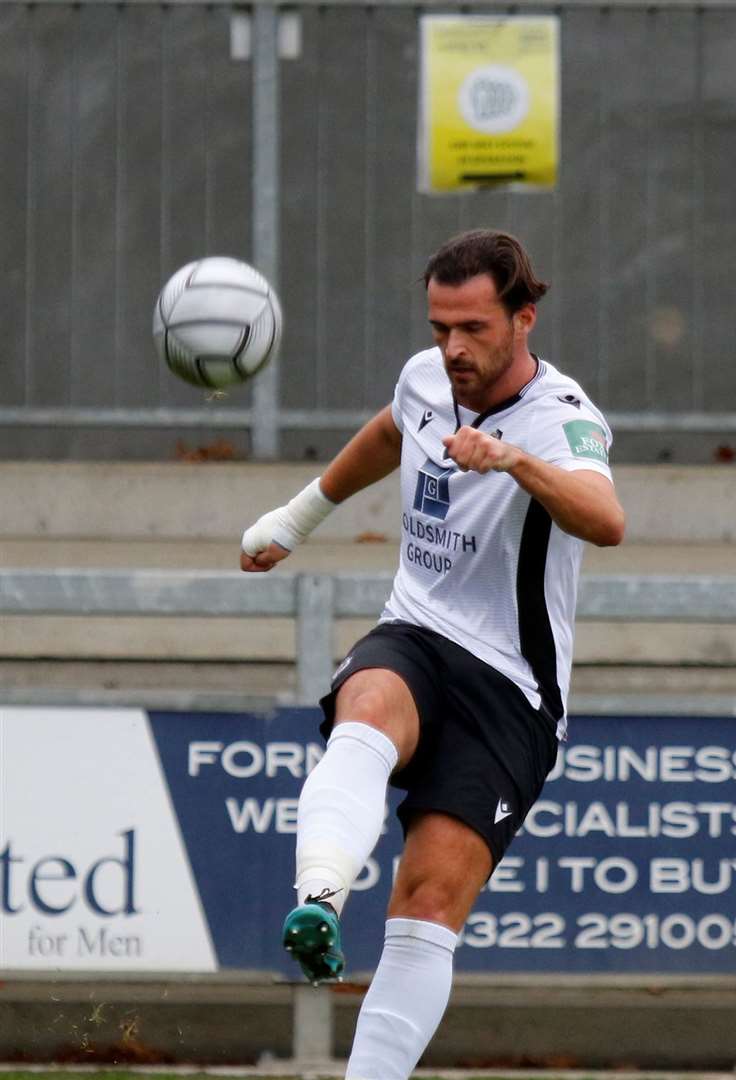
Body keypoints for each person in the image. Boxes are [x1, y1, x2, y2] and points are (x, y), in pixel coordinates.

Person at [239, 229, 624, 1080]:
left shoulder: (565, 420)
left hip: (513, 693)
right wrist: (296, 519)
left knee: (427, 905)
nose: (452, 347)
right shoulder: (424, 377)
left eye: (474, 328)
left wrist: (515, 459)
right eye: (440, 325)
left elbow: (607, 519)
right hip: (416, 633)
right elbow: (389, 431)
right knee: (368, 702)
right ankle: (321, 898)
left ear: (524, 319)